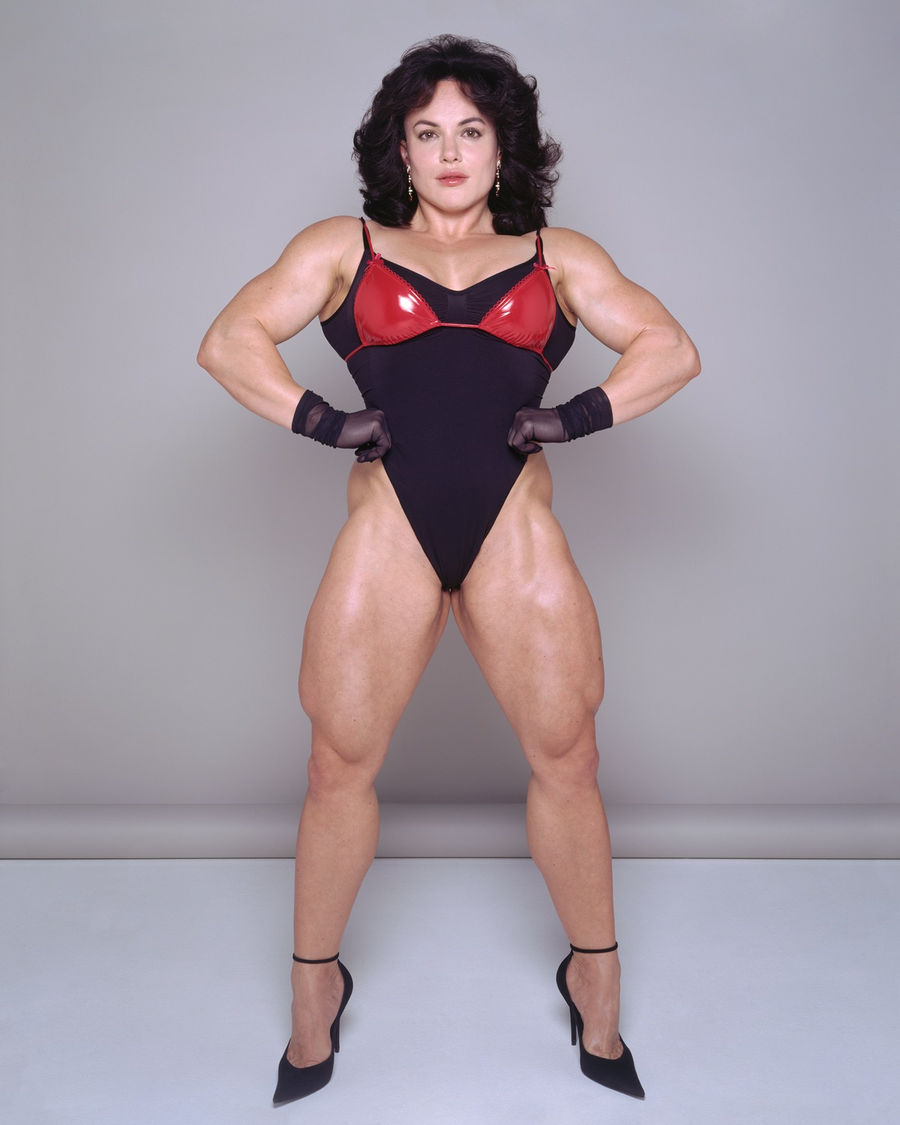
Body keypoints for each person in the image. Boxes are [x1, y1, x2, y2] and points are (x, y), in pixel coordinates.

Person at [197, 34, 699, 1106]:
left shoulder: (559, 256)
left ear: (505, 146)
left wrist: (573, 415)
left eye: (471, 130)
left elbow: (671, 348)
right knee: (337, 765)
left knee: (569, 757)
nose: (451, 151)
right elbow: (230, 339)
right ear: (401, 150)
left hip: (515, 527)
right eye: (427, 133)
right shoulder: (345, 246)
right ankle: (314, 997)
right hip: (392, 525)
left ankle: (596, 988)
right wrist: (323, 419)